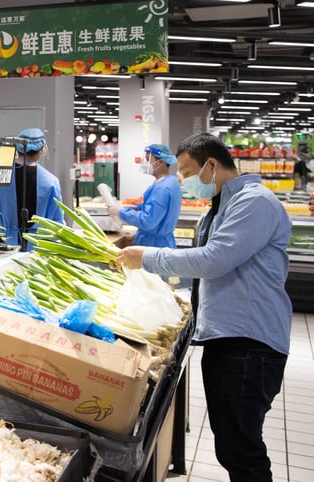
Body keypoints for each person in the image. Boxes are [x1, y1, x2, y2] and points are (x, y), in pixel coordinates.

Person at [117, 133, 290, 482]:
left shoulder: (253, 202)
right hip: (229, 339)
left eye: (187, 172)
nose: (185, 182)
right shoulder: (224, 204)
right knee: (232, 443)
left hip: (249, 344)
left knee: (241, 448)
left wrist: (147, 257)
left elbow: (215, 260)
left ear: (211, 165)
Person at [0, 128, 63, 250]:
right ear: (41, 150)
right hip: (39, 248)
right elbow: (57, 221)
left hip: (3, 245)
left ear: (17, 149)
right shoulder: (51, 182)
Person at [107, 143, 182, 248]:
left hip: (153, 245)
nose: (144, 163)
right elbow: (157, 210)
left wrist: (121, 212)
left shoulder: (161, 188)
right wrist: (137, 207)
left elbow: (147, 221)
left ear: (160, 162)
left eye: (147, 160)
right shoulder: (171, 182)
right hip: (163, 243)